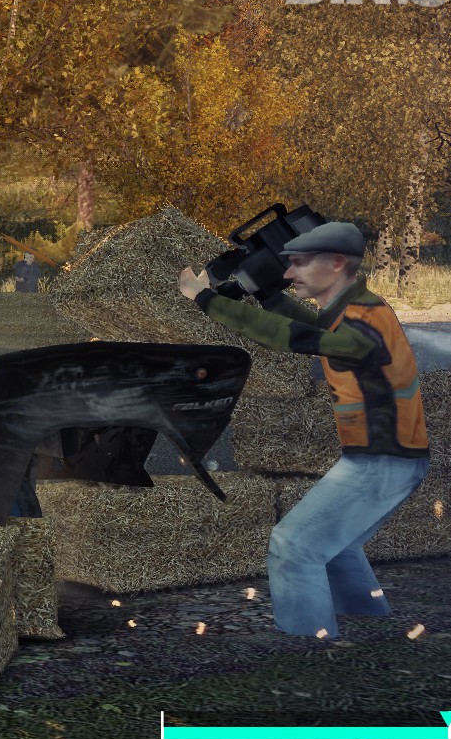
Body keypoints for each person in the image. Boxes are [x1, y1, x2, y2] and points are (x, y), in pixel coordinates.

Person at [178, 221, 428, 640]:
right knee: (336, 546)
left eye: (299, 264)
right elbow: (311, 326)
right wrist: (267, 296)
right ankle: (368, 625)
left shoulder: (365, 321)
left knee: (293, 545)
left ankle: (306, 645)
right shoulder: (355, 309)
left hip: (381, 461)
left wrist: (205, 298)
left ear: (337, 262)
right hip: (389, 457)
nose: (289, 273)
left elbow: (289, 336)